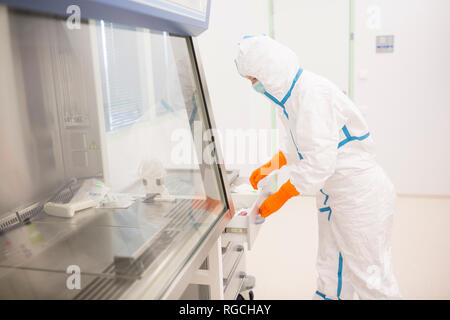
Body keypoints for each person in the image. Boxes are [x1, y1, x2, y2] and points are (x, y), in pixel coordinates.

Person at [235, 35, 402, 300]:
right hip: (335, 192)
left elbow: (320, 162)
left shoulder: (311, 94)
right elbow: (301, 146)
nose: (253, 86)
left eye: (254, 80)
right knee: (331, 268)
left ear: (270, 72)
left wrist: (283, 194)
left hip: (359, 194)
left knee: (370, 277)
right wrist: (270, 167)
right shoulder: (291, 100)